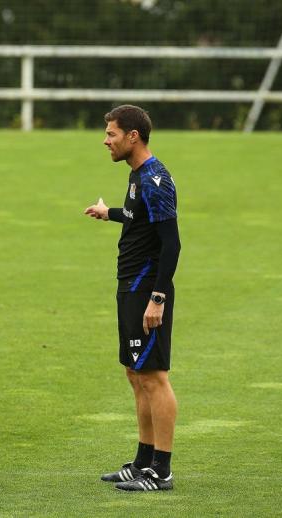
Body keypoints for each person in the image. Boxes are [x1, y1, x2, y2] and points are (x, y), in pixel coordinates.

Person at [84, 105, 181, 491]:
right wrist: (111, 214)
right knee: (135, 371)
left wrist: (157, 298)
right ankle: (144, 460)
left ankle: (162, 470)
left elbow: (171, 244)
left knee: (154, 376)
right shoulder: (137, 176)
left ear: (132, 136)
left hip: (146, 290)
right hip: (129, 287)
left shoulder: (156, 179)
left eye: (111, 134)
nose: (106, 141)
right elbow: (138, 215)